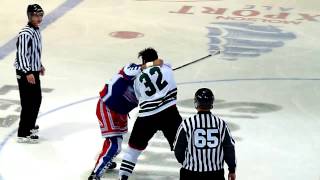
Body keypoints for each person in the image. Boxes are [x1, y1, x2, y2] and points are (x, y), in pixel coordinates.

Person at [88, 60, 163, 180]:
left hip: (120, 112)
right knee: (115, 146)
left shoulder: (148, 88)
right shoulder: (133, 69)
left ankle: (104, 160)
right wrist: (153, 64)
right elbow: (132, 69)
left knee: (113, 143)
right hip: (108, 107)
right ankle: (95, 175)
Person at [118, 48, 182, 180]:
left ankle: (123, 177)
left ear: (143, 61)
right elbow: (166, 63)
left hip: (147, 117)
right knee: (182, 146)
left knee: (133, 150)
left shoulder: (136, 79)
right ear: (157, 58)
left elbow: (138, 96)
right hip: (169, 113)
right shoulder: (167, 68)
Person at [174, 88, 237, 180]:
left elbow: (178, 148)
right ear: (211, 103)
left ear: (196, 103)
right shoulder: (220, 124)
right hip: (215, 174)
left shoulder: (187, 124)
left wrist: (186, 163)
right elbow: (229, 148)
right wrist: (232, 169)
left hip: (190, 173)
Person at [14, 4, 45, 143]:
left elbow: (34, 52)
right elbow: (21, 54)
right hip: (25, 72)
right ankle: (23, 132)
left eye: (40, 15)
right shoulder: (26, 33)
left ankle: (30, 125)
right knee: (28, 102)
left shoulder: (36, 30)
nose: (38, 18)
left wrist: (39, 65)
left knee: (36, 99)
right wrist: (27, 72)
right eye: (35, 15)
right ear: (29, 16)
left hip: (32, 70)